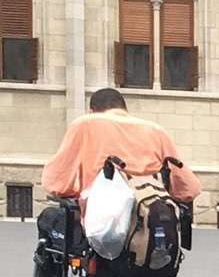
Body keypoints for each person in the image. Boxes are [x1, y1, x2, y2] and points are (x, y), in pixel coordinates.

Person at [42, 88, 202, 208]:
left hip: (102, 217)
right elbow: (189, 187)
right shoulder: (155, 130)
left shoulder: (86, 123)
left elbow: (58, 180)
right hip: (150, 215)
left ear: (92, 111)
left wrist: (75, 192)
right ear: (125, 110)